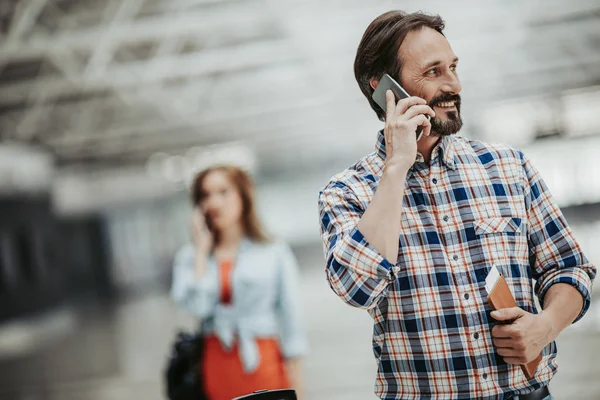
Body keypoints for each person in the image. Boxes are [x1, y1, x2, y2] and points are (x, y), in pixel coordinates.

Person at [317, 10, 596, 400]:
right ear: (384, 88)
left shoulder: (507, 167)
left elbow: (569, 267)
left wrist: (545, 325)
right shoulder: (346, 192)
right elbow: (355, 288)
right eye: (434, 72)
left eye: (453, 67)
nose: (455, 84)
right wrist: (397, 166)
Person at [172, 165, 308, 400]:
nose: (214, 203)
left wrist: (300, 388)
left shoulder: (273, 251)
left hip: (263, 363)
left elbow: (291, 321)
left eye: (223, 192)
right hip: (216, 366)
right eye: (206, 195)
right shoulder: (190, 257)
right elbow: (197, 308)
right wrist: (202, 253)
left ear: (243, 197)